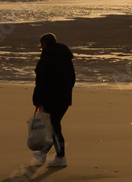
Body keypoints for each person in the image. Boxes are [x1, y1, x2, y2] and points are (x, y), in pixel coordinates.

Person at [31, 32, 75, 168]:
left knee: (54, 127)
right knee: (54, 126)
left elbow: (41, 82)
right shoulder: (66, 57)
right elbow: (72, 79)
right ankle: (45, 153)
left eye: (42, 45)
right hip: (65, 98)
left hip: (50, 99)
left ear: (45, 44)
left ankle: (58, 156)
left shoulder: (46, 59)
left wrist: (37, 100)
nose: (41, 48)